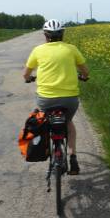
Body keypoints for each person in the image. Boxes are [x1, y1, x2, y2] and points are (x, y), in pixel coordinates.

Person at [23, 19, 89, 175]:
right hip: (69, 99)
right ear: (62, 34)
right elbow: (86, 71)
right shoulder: (71, 49)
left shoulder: (38, 50)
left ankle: (46, 148)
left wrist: (28, 78)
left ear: (45, 35)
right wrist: (83, 76)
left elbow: (25, 74)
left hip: (45, 99)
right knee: (68, 123)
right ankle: (72, 157)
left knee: (44, 122)